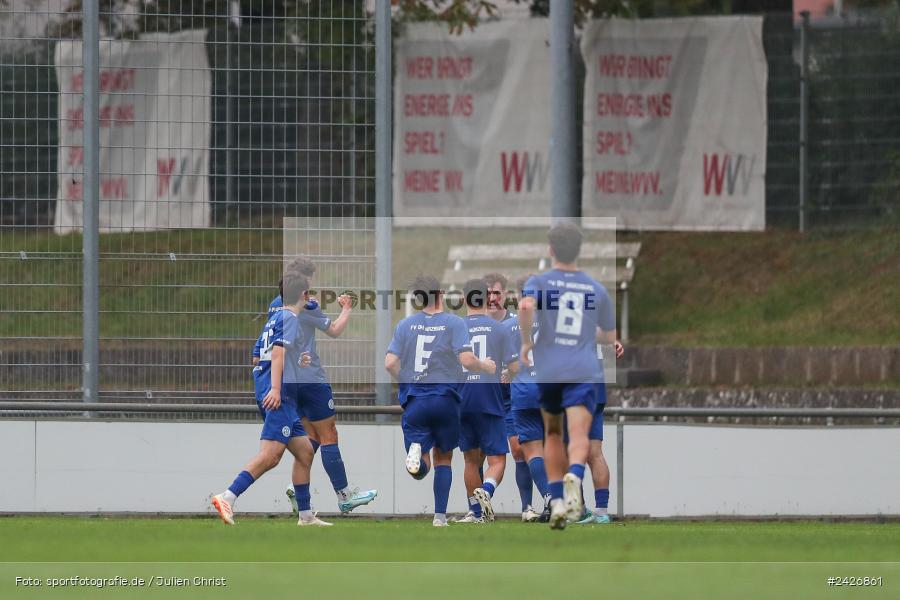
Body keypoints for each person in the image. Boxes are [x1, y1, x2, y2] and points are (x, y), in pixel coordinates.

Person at [253, 257, 376, 515]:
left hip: (289, 380)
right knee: (329, 433)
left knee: (309, 437)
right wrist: (347, 308)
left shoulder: (275, 303)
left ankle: (295, 488)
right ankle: (345, 495)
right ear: (305, 281)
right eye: (309, 283)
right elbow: (335, 330)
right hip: (311, 378)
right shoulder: (307, 304)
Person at [212, 270, 329, 526]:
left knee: (305, 452)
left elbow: (258, 357)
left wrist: (297, 359)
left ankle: (306, 516)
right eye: (309, 293)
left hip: (275, 391)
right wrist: (275, 389)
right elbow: (277, 354)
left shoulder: (276, 316)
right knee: (271, 455)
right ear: (303, 295)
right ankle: (228, 496)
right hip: (279, 394)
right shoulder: (291, 318)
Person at [519, 223, 615, 530]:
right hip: (583, 370)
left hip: (550, 371)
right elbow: (609, 335)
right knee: (580, 434)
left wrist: (526, 341)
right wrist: (587, 333)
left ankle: (558, 501)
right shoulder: (596, 288)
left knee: (552, 434)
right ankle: (575, 473)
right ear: (579, 250)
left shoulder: (539, 281)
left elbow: (525, 306)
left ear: (550, 249)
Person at [385, 275, 496, 527]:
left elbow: (390, 363)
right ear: (441, 294)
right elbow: (467, 360)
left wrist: (407, 379)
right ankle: (439, 517)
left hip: (415, 399)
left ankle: (417, 454)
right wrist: (486, 366)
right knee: (444, 458)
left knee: (420, 466)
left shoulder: (405, 325)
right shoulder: (454, 323)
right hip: (445, 398)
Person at [455, 279, 515, 523]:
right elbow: (514, 367)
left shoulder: (454, 328)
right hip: (490, 400)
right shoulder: (499, 329)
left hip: (462, 400)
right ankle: (487, 491)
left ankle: (475, 512)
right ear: (486, 298)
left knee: (470, 460)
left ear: (464, 298)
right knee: (497, 460)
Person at [484, 272, 539, 522]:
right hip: (485, 398)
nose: (491, 298)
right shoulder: (472, 324)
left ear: (505, 295)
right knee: (475, 454)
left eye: (496, 292)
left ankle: (528, 506)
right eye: (486, 293)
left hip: (513, 397)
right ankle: (476, 510)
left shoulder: (515, 323)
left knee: (520, 450)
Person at [506, 276, 552, 523]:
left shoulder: (507, 327)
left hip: (523, 392)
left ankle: (550, 499)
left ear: (517, 296)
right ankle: (573, 503)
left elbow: (507, 366)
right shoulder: (552, 321)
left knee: (533, 452)